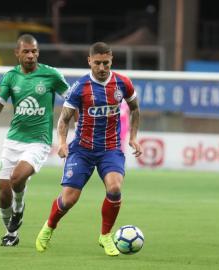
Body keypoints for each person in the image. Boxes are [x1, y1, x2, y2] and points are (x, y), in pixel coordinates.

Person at [35, 42, 142, 256]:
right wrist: (63, 143)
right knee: (69, 199)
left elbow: (135, 109)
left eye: (106, 63)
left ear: (111, 61)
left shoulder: (123, 83)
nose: (102, 68)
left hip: (110, 148)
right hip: (82, 150)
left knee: (114, 188)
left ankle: (105, 236)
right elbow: (64, 119)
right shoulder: (79, 88)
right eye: (98, 63)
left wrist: (133, 137)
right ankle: (49, 227)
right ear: (89, 61)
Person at [0, 34, 70, 247]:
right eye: (26, 51)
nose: (31, 55)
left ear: (38, 53)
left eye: (34, 51)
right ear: (17, 53)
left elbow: (71, 99)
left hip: (39, 141)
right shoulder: (10, 77)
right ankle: (11, 234)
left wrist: (71, 130)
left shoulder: (51, 75)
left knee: (17, 178)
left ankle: (19, 208)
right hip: (13, 140)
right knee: (3, 192)